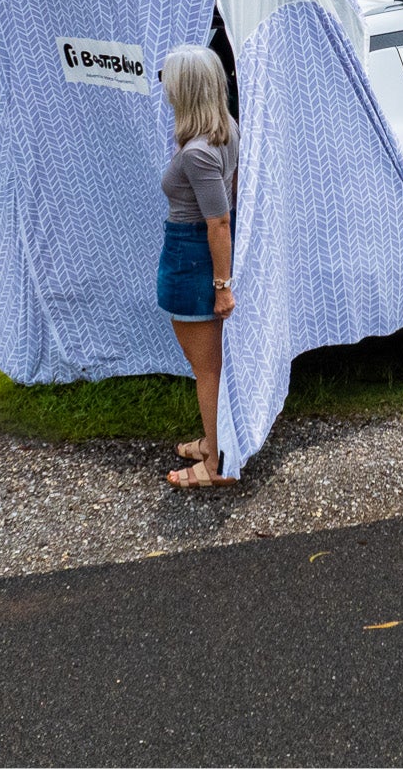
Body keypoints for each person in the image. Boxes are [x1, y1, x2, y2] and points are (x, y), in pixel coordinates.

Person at [156, 44, 240, 489]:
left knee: (206, 367)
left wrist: (221, 286)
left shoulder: (197, 152)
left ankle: (215, 464)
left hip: (193, 256)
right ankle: (214, 440)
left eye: (168, 80)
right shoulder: (227, 127)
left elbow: (219, 220)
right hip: (194, 253)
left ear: (184, 90)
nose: (165, 88)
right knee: (208, 364)